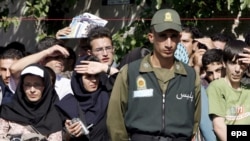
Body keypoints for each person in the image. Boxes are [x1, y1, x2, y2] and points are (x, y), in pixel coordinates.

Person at [106, 8, 201, 141]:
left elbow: (194, 121)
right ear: (151, 37)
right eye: (162, 35)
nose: (169, 44)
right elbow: (115, 119)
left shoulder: (190, 76)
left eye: (173, 36)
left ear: (179, 38)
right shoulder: (130, 72)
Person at [0, 64, 63, 141]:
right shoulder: (8, 111)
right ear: (21, 87)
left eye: (37, 85)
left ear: (45, 87)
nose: (32, 90)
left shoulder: (53, 116)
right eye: (27, 85)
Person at [56, 55, 110, 141]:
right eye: (88, 76)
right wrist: (69, 133)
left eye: (96, 76)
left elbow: (125, 82)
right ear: (79, 80)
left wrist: (105, 68)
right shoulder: (67, 105)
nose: (94, 80)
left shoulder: (108, 98)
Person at [207, 39, 250, 141]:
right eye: (233, 63)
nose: (237, 69)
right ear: (224, 63)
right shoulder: (217, 87)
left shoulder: (248, 88)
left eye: (241, 64)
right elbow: (219, 127)